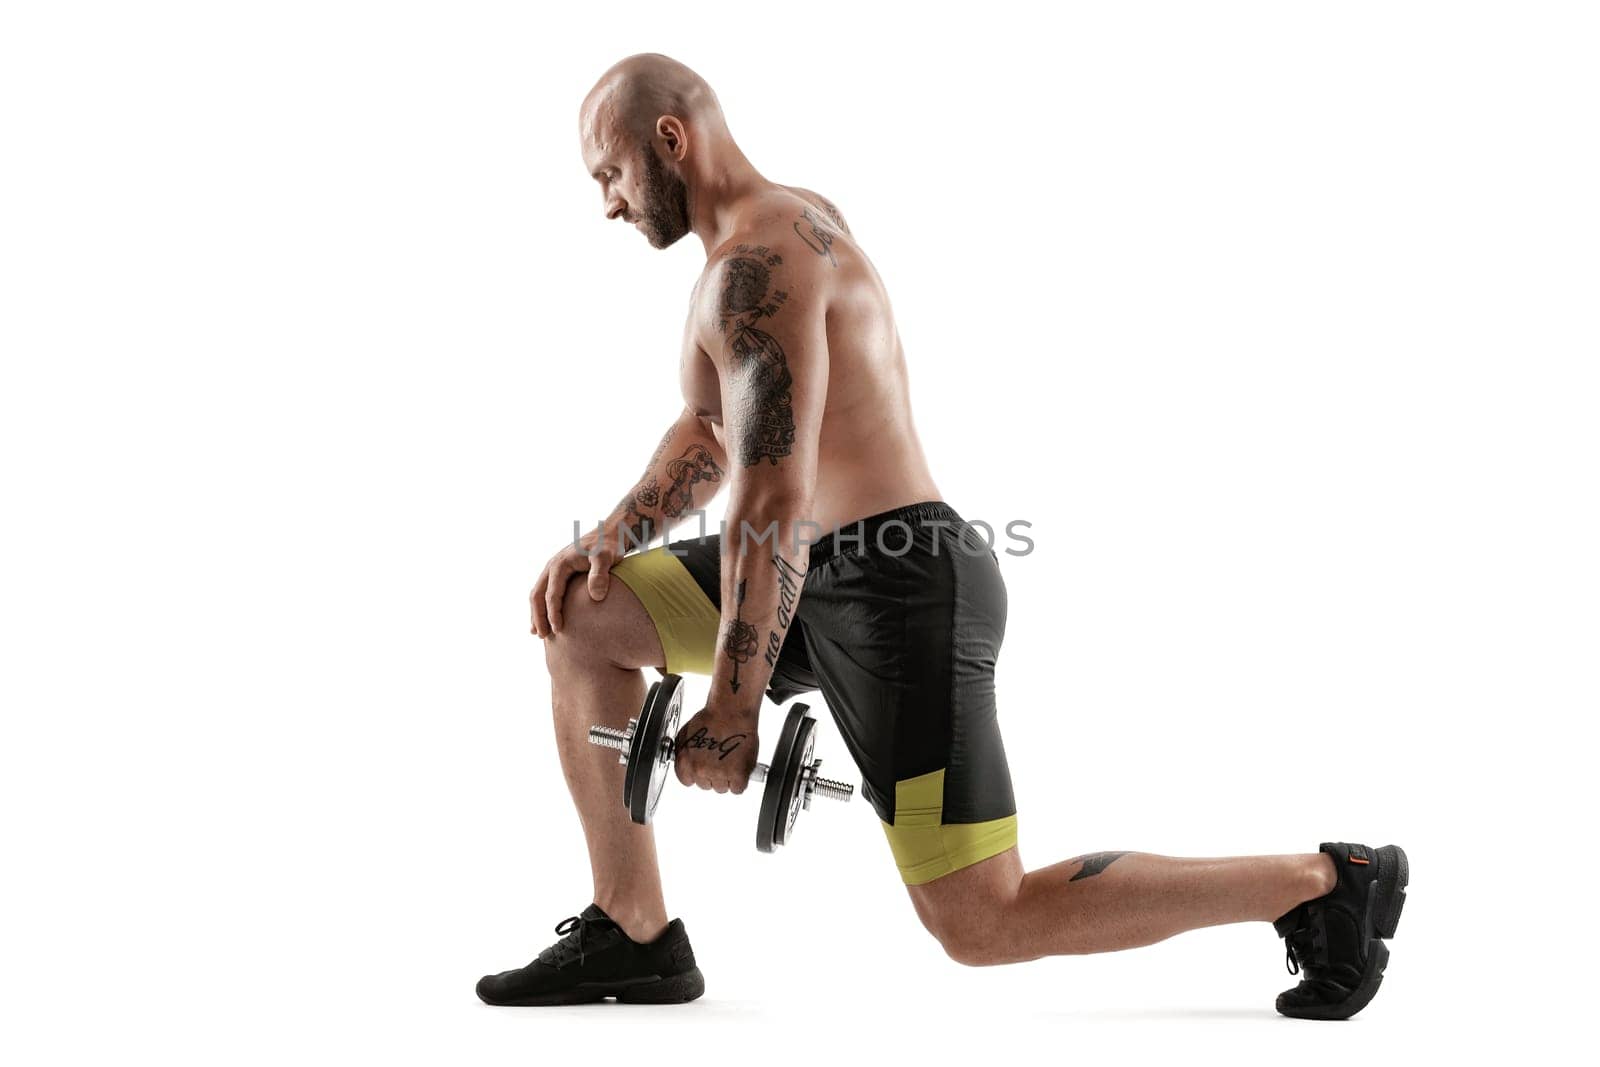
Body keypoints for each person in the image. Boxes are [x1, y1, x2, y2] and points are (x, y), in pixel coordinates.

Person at [476, 53, 1409, 1017]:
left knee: (983, 918)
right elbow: (719, 431)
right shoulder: (774, 233)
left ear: (669, 140)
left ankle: (1327, 882)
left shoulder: (764, 265)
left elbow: (770, 498)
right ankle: (634, 931)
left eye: (610, 173)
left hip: (898, 585)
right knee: (583, 615)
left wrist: (736, 706)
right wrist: (615, 534)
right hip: (816, 565)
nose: (610, 204)